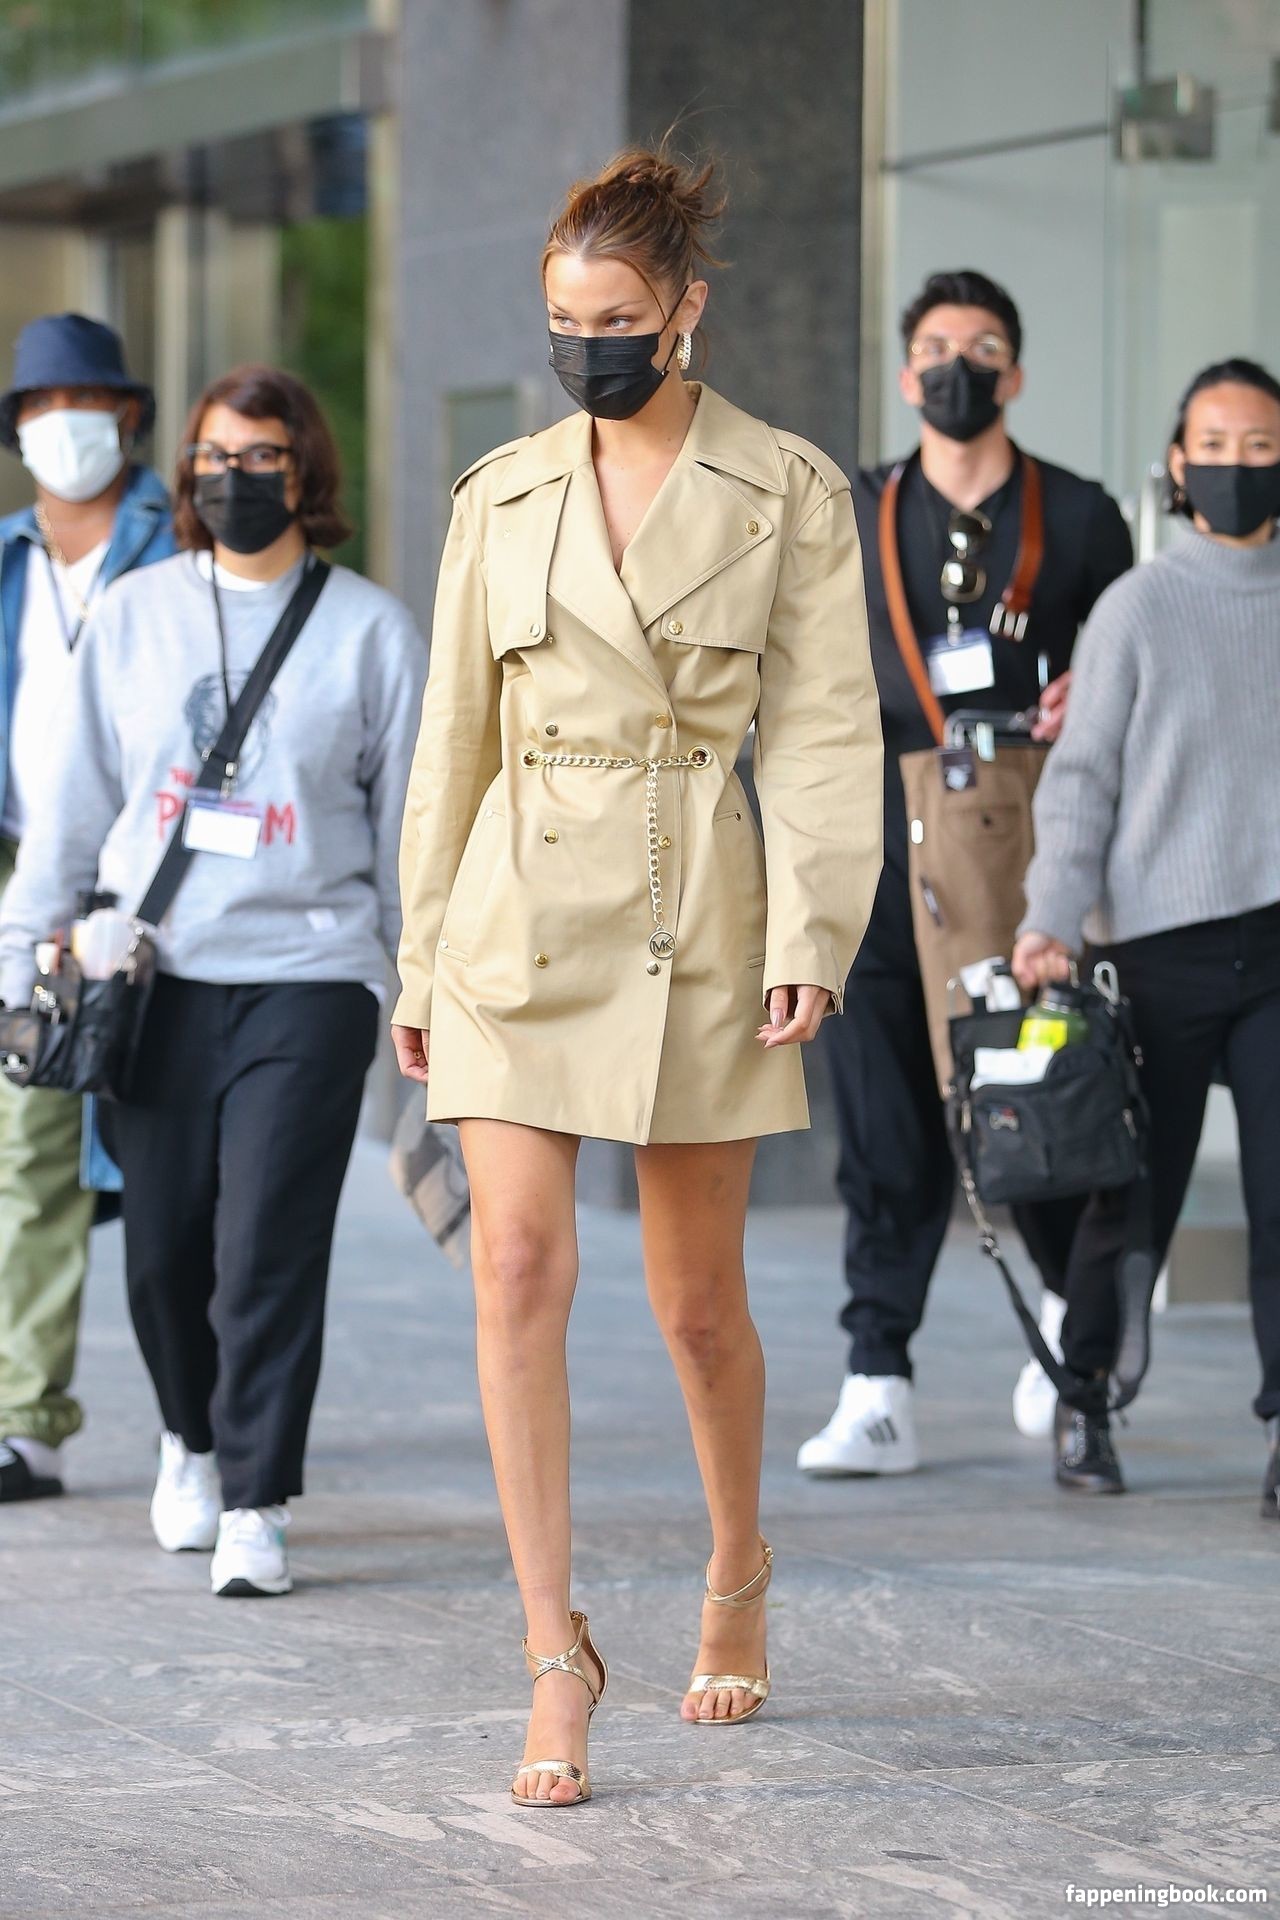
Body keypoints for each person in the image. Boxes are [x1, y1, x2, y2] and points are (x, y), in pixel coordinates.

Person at [393, 146, 881, 1807]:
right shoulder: (500, 495)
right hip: (515, 915)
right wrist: (418, 959)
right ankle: (556, 1654)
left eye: (617, 320)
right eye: (564, 321)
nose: (588, 348)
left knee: (697, 1305)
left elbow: (824, 730)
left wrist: (812, 931)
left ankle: (737, 1567)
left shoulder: (787, 489)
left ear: (685, 309)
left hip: (699, 912)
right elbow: (452, 741)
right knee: (517, 1265)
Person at [0, 364, 426, 1592]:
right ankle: (188, 1439)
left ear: (307, 473)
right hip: (156, 975)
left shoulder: (372, 632)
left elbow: (407, 833)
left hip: (311, 976)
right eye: (215, 457)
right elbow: (73, 808)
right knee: (164, 1248)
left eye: (261, 458)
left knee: (266, 1242)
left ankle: (256, 1497)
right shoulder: (133, 617)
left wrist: (419, 983)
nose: (235, 478)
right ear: (187, 470)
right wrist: (22, 949)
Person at [798, 268, 1134, 1478]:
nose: (957, 366)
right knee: (882, 1120)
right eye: (936, 346)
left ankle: (1064, 1321)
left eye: (981, 347)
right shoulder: (850, 512)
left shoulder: (1081, 516)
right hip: (877, 846)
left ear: (1015, 372)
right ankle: (875, 1379)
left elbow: (1123, 664)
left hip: (1016, 848)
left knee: (1030, 1087)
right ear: (905, 376)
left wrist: (1086, 687)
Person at [1013, 356, 1280, 1513]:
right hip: (1156, 950)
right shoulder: (1134, 606)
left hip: (1275, 947)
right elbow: (1081, 779)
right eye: (1212, 447)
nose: (1234, 466)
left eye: (1258, 446)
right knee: (1129, 1200)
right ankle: (1084, 1397)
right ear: (1176, 464)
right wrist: (1047, 919)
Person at [0, 313, 175, 1505]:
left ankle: (203, 1425)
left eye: (86, 401)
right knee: (31, 1150)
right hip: (33, 886)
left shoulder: (181, 539)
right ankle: (28, 1423)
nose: (65, 423)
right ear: (18, 428)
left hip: (161, 885)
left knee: (178, 1163)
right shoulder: (8, 560)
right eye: (42, 405)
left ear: (128, 415)